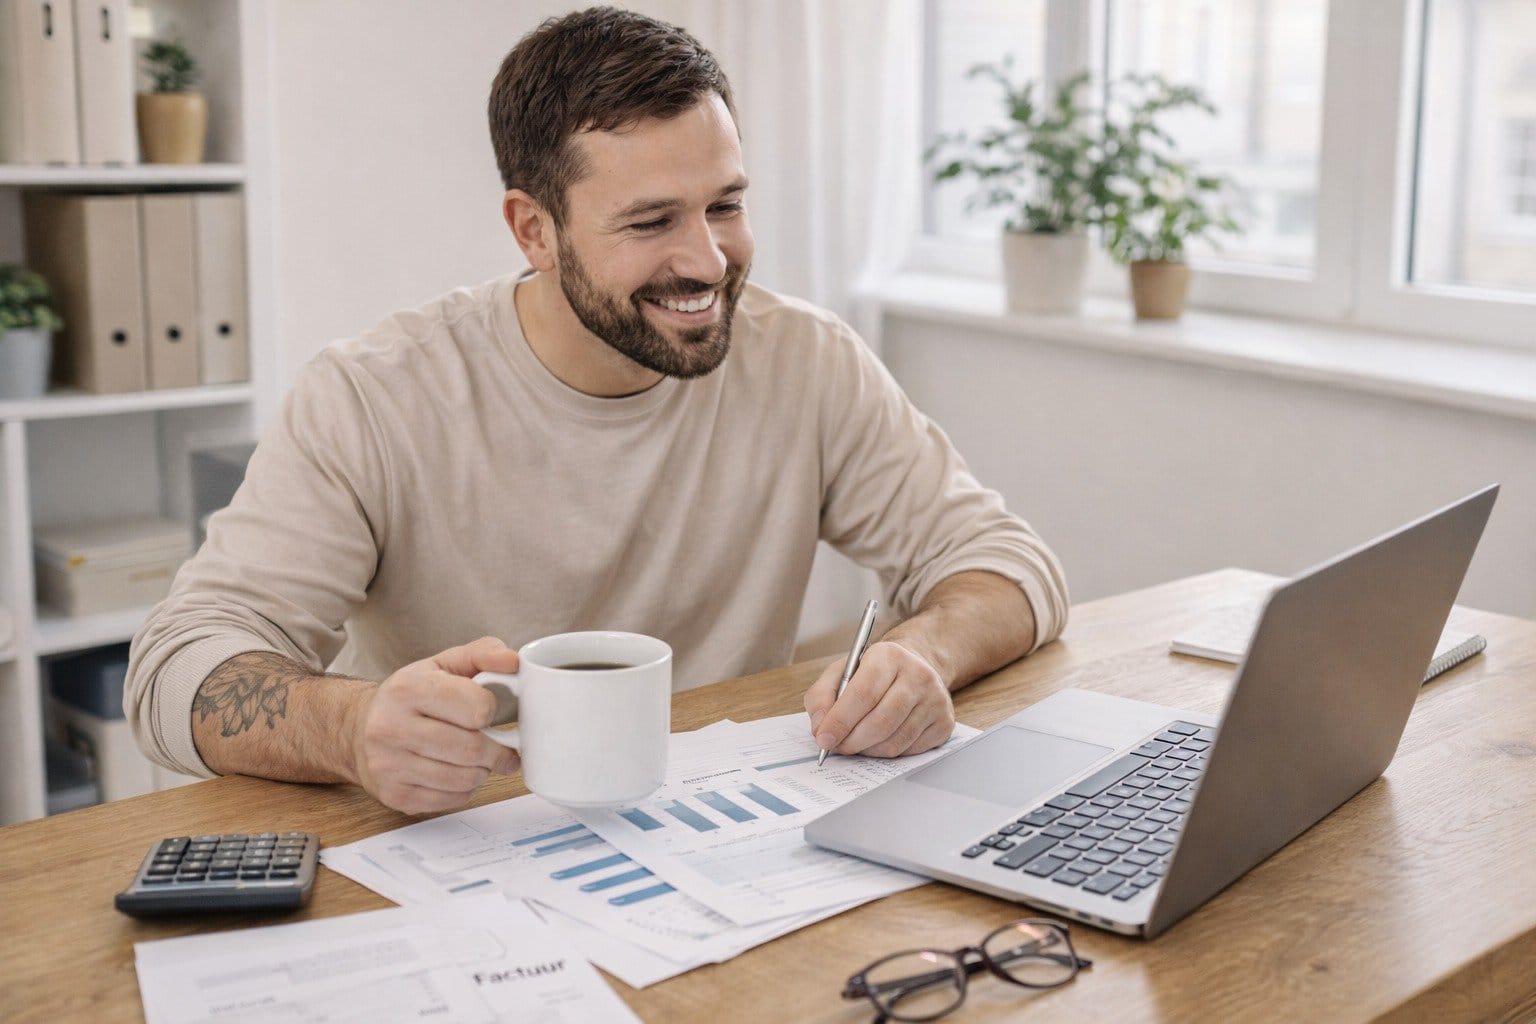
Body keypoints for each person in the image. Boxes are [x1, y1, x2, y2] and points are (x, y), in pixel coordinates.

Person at [126, 6, 1069, 815]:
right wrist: (351, 727)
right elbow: (175, 668)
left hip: (736, 833)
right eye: (651, 222)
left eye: (726, 205)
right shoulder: (375, 395)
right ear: (533, 230)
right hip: (474, 839)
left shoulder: (806, 359)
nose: (707, 261)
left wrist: (922, 656)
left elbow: (1010, 566)